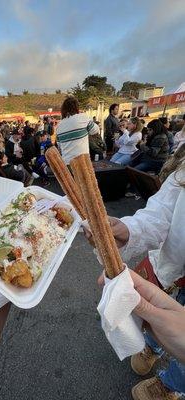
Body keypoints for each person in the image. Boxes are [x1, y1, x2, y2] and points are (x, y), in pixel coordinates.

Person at [85, 155, 185, 399]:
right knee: (161, 319)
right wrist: (129, 229)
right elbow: (161, 212)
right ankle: (152, 347)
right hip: (172, 268)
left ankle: (171, 385)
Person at [57, 95, 99, 165]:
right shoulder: (83, 118)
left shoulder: (59, 126)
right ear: (76, 107)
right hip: (82, 164)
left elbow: (60, 148)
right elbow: (96, 130)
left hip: (67, 164)